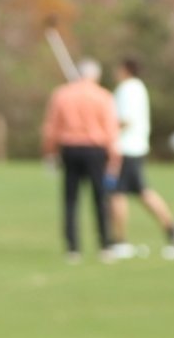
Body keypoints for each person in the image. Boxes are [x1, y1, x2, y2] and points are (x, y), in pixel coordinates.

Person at [41, 57, 121, 261]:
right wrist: (114, 158)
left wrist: (50, 153)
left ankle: (73, 248)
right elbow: (111, 130)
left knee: (71, 200)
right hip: (95, 151)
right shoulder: (103, 96)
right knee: (99, 198)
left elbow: (51, 128)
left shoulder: (62, 94)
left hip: (70, 150)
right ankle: (105, 245)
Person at [108, 57, 174, 259]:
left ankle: (119, 240)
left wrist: (105, 130)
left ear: (125, 70)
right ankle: (171, 228)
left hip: (125, 148)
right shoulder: (138, 88)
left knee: (117, 194)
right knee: (142, 192)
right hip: (137, 147)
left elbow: (125, 120)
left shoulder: (127, 89)